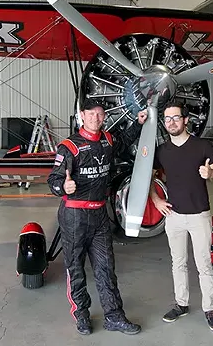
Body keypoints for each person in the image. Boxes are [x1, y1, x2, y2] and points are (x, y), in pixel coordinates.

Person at [47, 98, 147, 336]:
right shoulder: (69, 147)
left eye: (100, 114)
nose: (96, 118)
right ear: (82, 115)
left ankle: (114, 316)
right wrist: (63, 187)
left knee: (106, 268)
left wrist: (139, 122)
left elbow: (123, 142)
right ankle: (81, 315)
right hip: (74, 216)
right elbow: (53, 180)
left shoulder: (108, 140)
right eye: (91, 113)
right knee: (75, 267)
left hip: (100, 215)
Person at [149, 100, 213, 332]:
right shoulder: (162, 151)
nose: (171, 122)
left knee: (204, 265)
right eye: (167, 119)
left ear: (186, 120)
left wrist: (210, 172)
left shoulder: (203, 146)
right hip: (174, 216)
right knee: (178, 263)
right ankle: (181, 304)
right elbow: (148, 177)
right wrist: (156, 200)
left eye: (176, 118)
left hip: (199, 215)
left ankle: (209, 309)